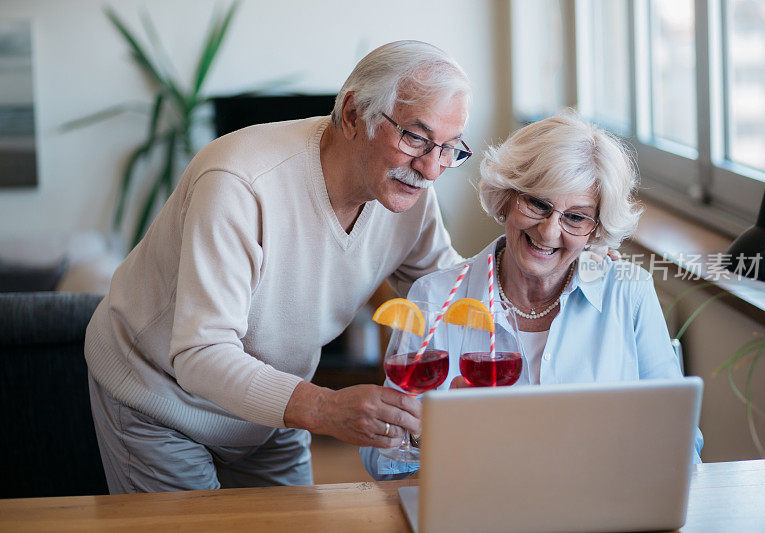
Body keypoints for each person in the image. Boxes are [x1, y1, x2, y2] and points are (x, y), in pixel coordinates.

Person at [85, 40, 474, 493]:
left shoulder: (410, 194)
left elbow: (450, 289)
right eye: (415, 137)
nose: (430, 169)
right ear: (352, 115)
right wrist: (327, 408)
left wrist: (538, 259)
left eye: (449, 148)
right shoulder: (239, 183)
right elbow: (200, 353)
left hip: (270, 406)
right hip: (158, 398)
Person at [361, 112, 703, 480]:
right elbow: (381, 463)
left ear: (595, 230)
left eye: (576, 218)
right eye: (538, 204)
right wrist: (422, 436)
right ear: (508, 197)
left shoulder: (628, 293)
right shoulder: (435, 296)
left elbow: (683, 444)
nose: (549, 231)